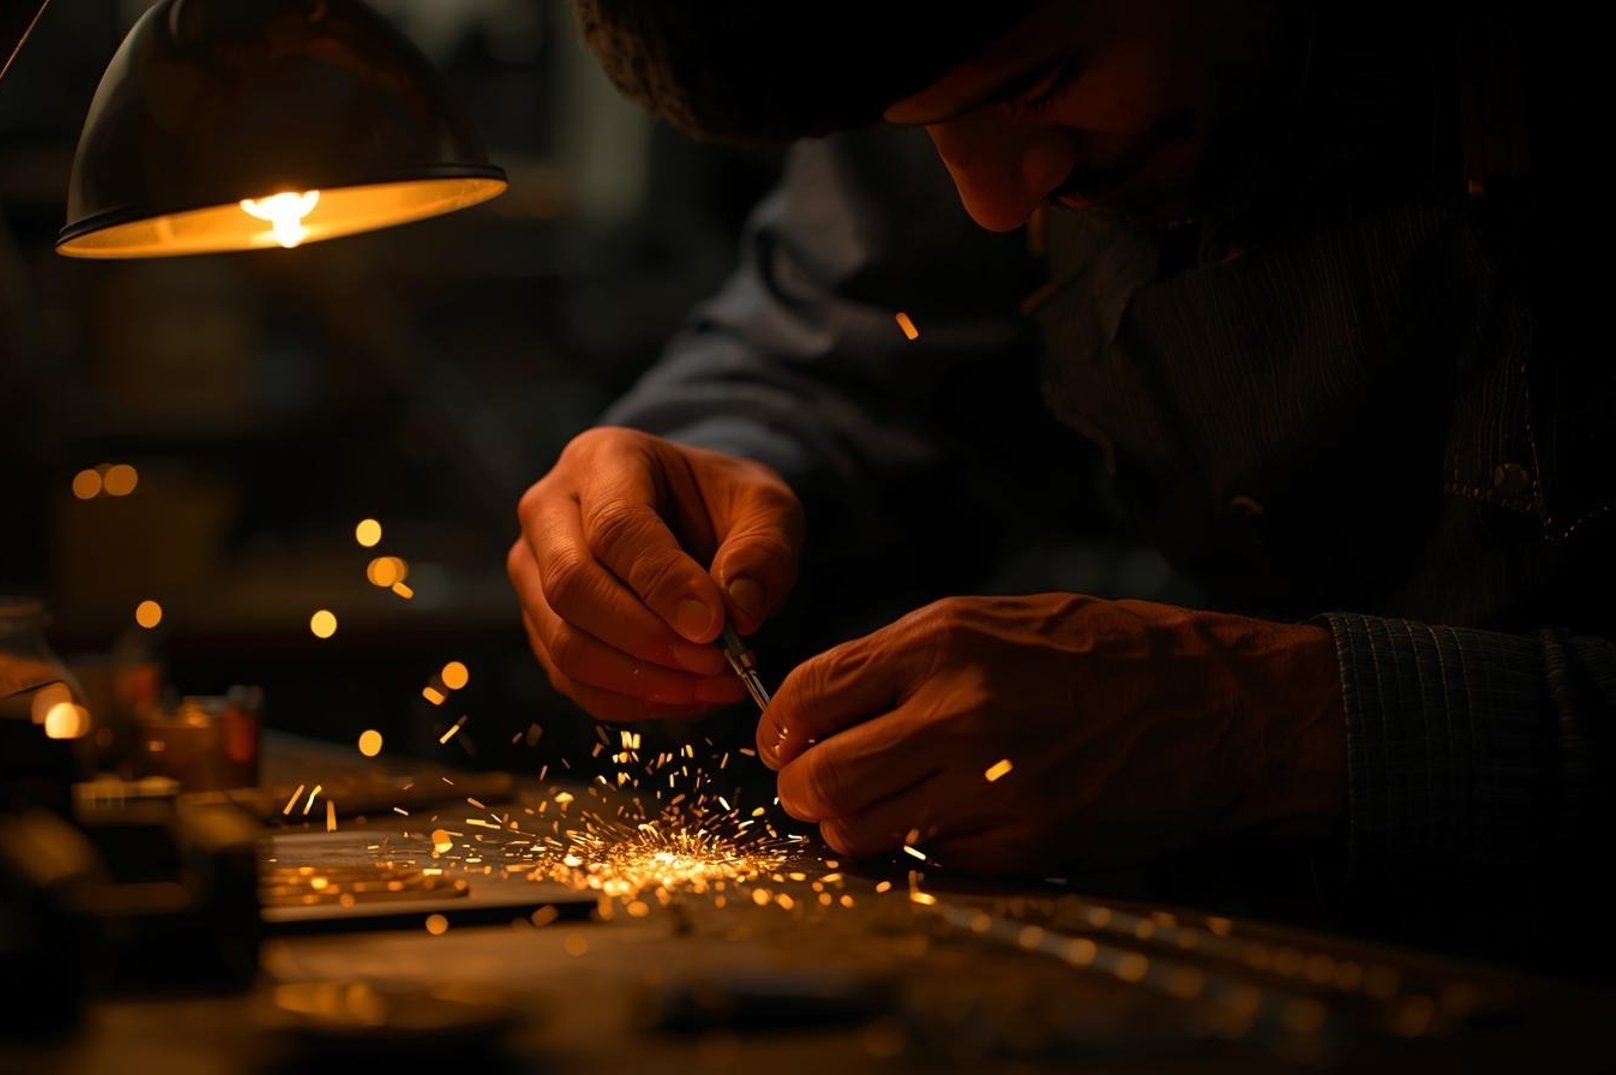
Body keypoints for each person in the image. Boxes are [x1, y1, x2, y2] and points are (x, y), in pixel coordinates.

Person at [509, 0, 1613, 969]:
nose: (990, 198)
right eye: (912, 127)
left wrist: (1279, 724)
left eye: (1044, 84)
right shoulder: (922, 43)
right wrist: (712, 465)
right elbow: (837, 339)